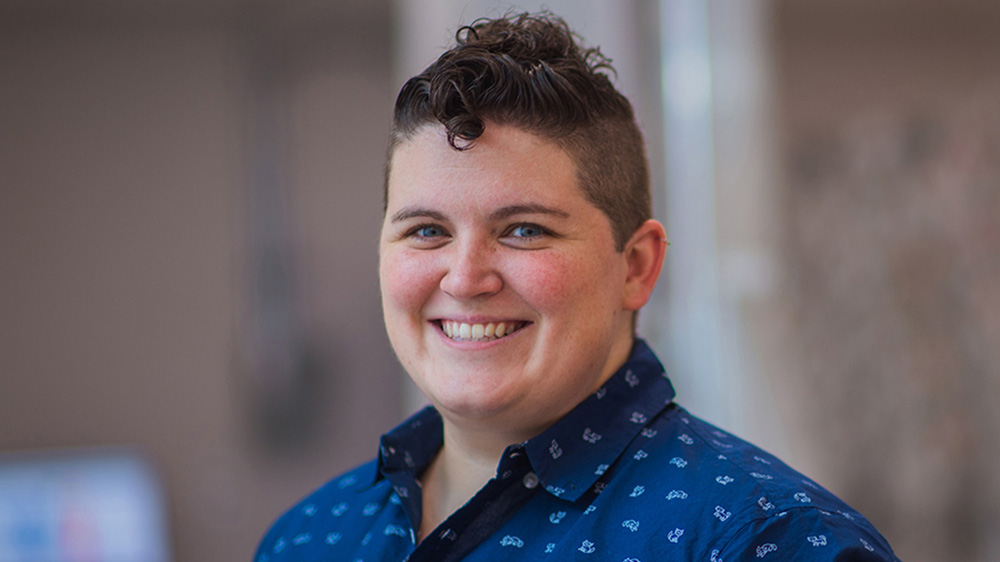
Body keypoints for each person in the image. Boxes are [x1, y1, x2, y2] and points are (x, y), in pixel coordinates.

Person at [255, 12, 900, 562]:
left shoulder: (767, 541)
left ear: (637, 266)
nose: (465, 278)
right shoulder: (308, 539)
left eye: (525, 230)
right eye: (426, 231)